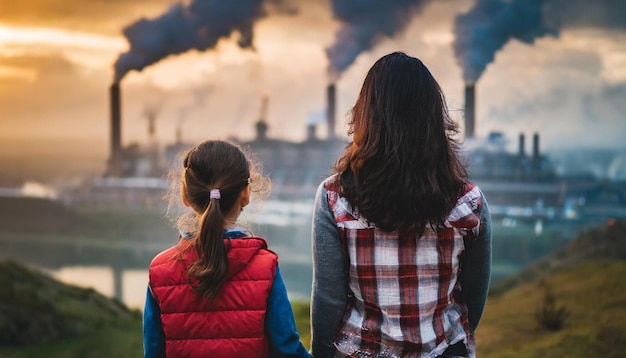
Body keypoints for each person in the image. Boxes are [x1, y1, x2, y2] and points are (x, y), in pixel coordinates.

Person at [310, 52, 492, 358]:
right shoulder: (468, 201)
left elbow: (328, 299)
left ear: (365, 116)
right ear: (433, 117)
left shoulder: (334, 197)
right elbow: (474, 295)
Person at [143, 140, 311, 358]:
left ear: (185, 195)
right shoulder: (265, 267)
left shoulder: (160, 270)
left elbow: (154, 353)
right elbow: (286, 350)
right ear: (246, 194)